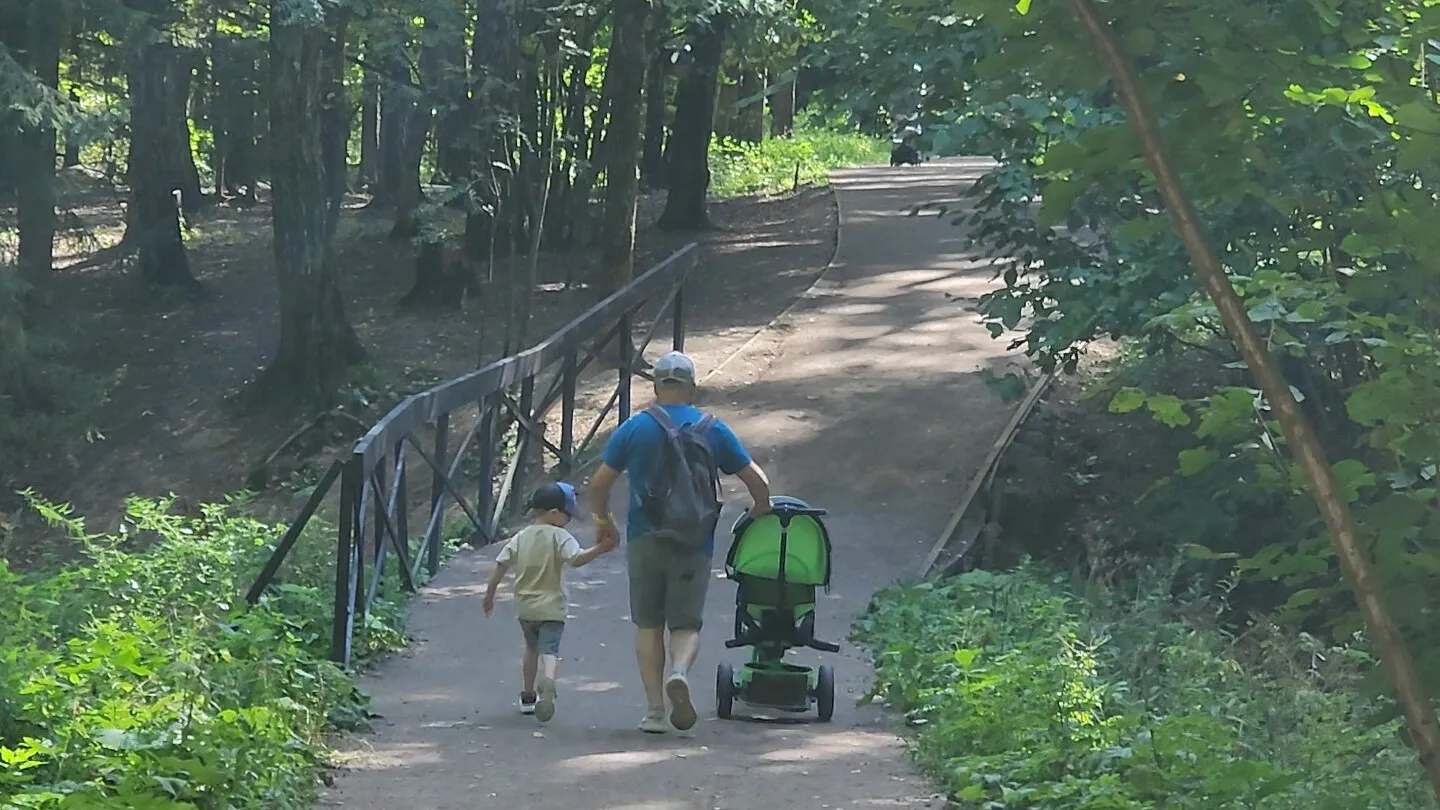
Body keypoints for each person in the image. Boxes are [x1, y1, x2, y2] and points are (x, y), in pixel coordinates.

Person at [589, 350, 772, 733]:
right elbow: (758, 482)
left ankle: (655, 712)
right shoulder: (712, 429)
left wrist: (604, 522)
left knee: (648, 625)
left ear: (656, 387)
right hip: (693, 541)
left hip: (646, 538)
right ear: (692, 388)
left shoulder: (635, 427)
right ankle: (679, 672)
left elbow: (600, 483)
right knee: (686, 625)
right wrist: (760, 509)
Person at [483, 481, 615, 722]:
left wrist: (489, 595)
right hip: (553, 606)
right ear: (554, 513)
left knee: (531, 648)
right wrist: (600, 548)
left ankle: (528, 696)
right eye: (568, 515)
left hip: (525, 607)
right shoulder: (560, 536)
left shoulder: (521, 537)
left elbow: (501, 565)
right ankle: (549, 681)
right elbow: (576, 559)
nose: (569, 520)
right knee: (550, 649)